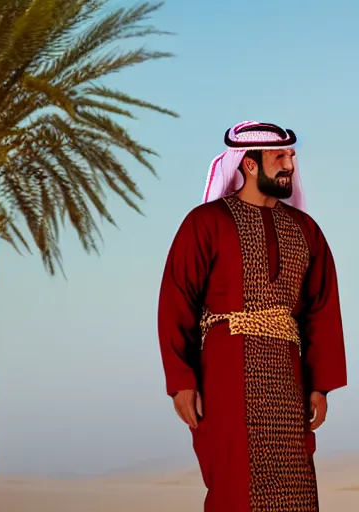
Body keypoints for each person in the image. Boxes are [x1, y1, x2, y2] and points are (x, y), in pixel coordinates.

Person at [157, 121, 347, 512]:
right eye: (279, 155)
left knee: (294, 483)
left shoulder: (306, 230)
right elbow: (177, 300)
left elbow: (321, 311)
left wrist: (320, 387)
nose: (289, 163)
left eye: (291, 154)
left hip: (289, 378)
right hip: (225, 373)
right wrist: (181, 381)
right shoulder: (205, 222)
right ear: (248, 165)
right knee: (234, 482)